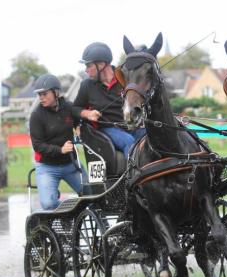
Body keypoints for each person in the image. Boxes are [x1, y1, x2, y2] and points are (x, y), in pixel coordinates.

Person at [72, 42, 145, 155]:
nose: (86, 70)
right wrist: (87, 114)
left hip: (133, 126)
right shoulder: (86, 85)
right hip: (108, 129)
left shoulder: (126, 77)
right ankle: (135, 173)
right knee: (128, 141)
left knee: (150, 137)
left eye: (88, 66)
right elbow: (74, 108)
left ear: (101, 64)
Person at [29, 74, 86, 210]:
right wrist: (60, 150)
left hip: (71, 164)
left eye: (44, 94)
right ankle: (70, 211)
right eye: (39, 95)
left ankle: (77, 211)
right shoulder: (36, 115)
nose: (41, 98)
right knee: (48, 204)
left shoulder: (69, 107)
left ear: (56, 93)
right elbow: (37, 145)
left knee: (92, 195)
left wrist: (78, 126)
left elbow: (79, 118)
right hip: (47, 168)